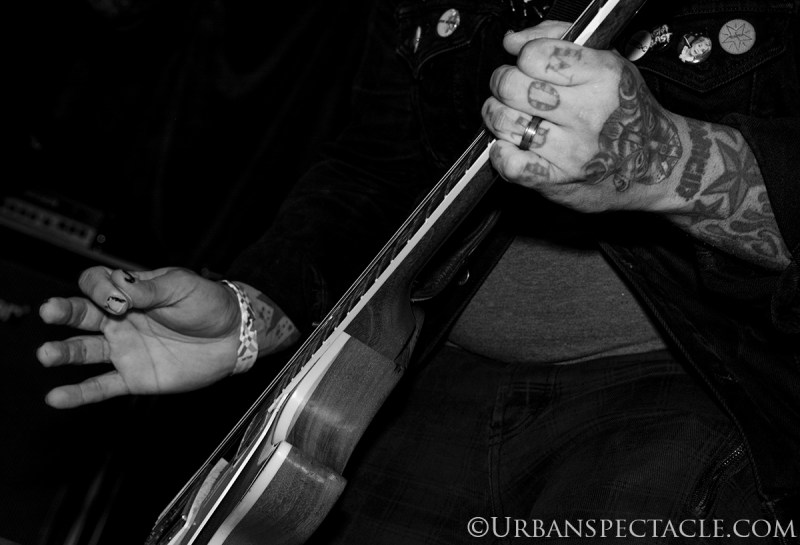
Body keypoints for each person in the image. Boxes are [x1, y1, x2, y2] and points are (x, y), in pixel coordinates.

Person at [36, 0, 800, 541]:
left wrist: (666, 161)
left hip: (698, 393)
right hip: (428, 370)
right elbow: (377, 164)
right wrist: (254, 309)